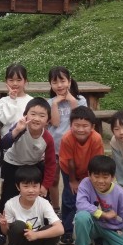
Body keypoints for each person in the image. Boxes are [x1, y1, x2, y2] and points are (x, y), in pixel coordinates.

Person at [0, 97, 56, 245]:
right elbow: (4, 144)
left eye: (42, 115)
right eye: (33, 114)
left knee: (43, 198)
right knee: (7, 197)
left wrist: (45, 185)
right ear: (25, 115)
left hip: (33, 165)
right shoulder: (20, 128)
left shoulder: (47, 138)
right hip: (12, 164)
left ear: (48, 121)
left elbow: (51, 163)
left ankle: (47, 232)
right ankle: (1, 232)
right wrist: (16, 131)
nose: (37, 118)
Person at [0, 165, 66, 245]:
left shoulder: (44, 203)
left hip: (38, 239)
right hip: (20, 241)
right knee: (18, 225)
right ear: (18, 187)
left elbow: (60, 229)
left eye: (35, 186)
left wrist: (36, 235)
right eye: (26, 186)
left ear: (40, 186)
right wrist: (3, 225)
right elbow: (7, 232)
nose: (31, 190)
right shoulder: (10, 204)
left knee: (53, 227)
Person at [58, 106, 105, 245]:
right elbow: (70, 161)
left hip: (89, 170)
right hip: (69, 170)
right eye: (77, 125)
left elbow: (96, 162)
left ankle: (89, 230)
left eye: (85, 126)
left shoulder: (96, 138)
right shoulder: (67, 138)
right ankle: (67, 232)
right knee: (69, 198)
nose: (80, 129)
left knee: (90, 199)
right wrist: (73, 181)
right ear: (70, 125)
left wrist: (90, 180)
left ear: (92, 127)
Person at [47, 66, 87, 214]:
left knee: (72, 180)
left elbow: (78, 121)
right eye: (55, 82)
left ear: (69, 81)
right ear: (50, 84)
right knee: (53, 180)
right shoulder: (50, 102)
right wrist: (55, 104)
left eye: (62, 81)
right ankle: (55, 209)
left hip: (73, 149)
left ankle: (75, 209)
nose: (59, 85)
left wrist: (72, 101)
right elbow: (56, 123)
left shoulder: (80, 100)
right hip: (55, 148)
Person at [0, 63, 32, 137]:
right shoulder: (3, 101)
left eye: (19, 80)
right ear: (6, 81)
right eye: (11, 80)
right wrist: (12, 100)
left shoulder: (31, 101)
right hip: (7, 140)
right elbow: (5, 120)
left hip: (26, 139)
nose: (15, 83)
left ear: (25, 81)